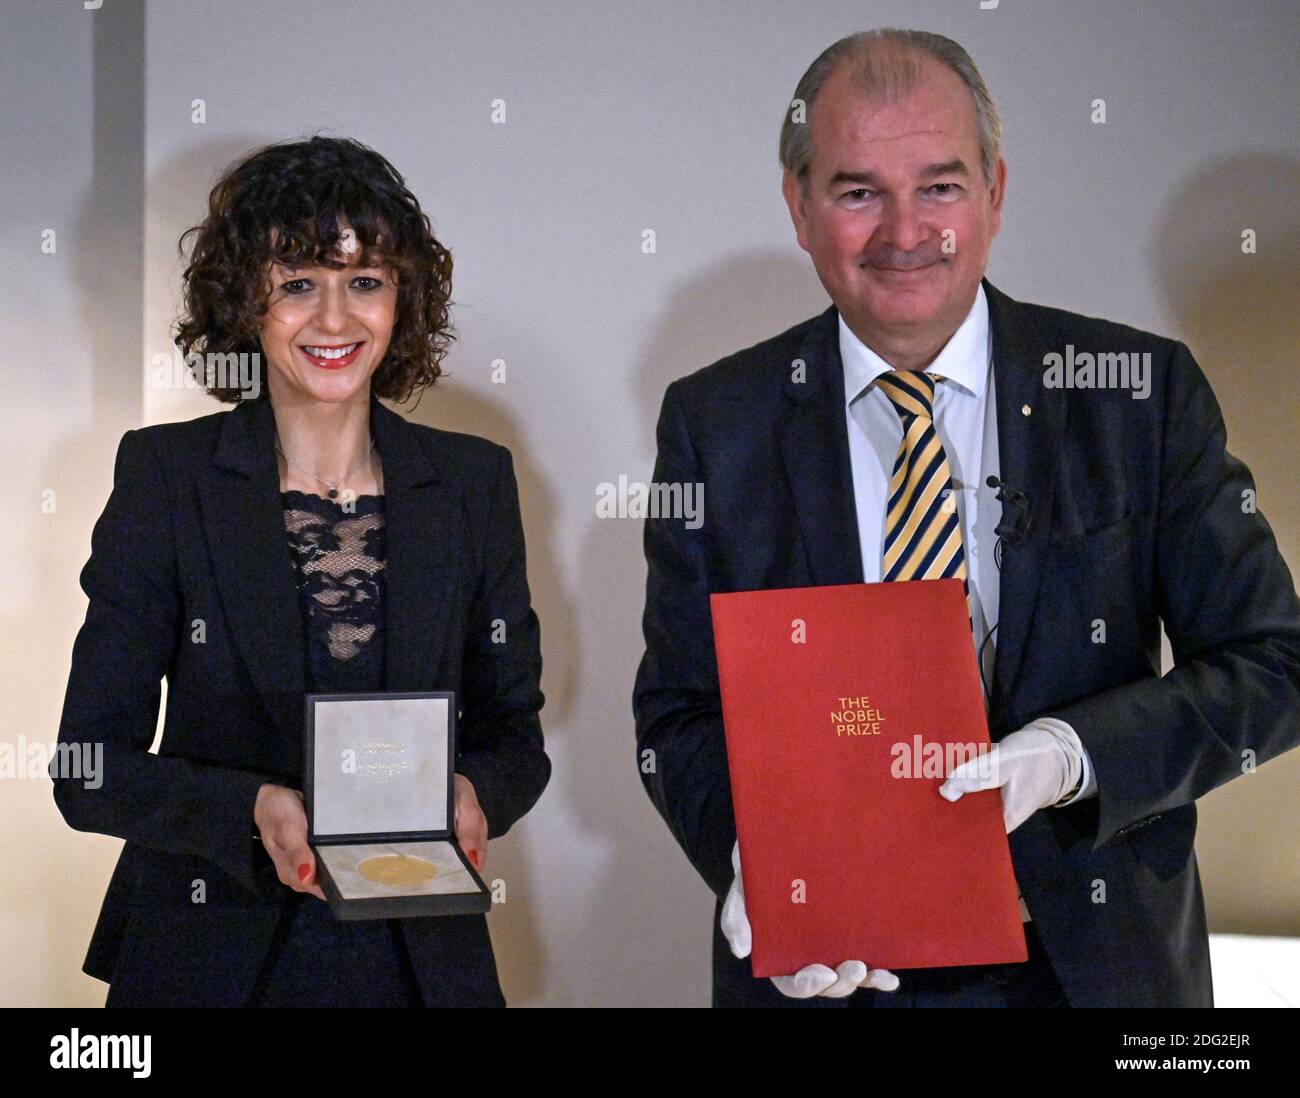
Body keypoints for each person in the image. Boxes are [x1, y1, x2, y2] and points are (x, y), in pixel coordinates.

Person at [632, 29, 1300, 1007]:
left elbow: (1271, 661)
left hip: (1098, 971)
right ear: (801, 207)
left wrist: (1070, 756)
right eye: (860, 191)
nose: (904, 232)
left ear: (993, 192)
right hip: (828, 972)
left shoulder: (1136, 397)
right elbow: (679, 714)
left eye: (939, 186)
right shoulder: (715, 422)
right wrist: (761, 864)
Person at [51, 136, 550, 1007]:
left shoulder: (474, 483)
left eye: (365, 281)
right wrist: (250, 809)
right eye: (297, 283)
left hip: (421, 967)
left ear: (403, 301)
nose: (333, 319)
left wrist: (474, 792)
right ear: (247, 302)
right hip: (209, 962)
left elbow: (516, 738)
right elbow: (88, 768)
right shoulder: (166, 477)